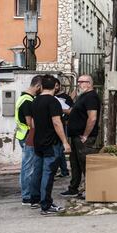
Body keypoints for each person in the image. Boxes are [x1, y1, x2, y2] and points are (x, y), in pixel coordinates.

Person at [30, 74, 71, 215]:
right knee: (48, 174)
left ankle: (35, 199)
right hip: (51, 143)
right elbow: (56, 122)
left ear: (41, 86)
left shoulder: (35, 101)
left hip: (38, 142)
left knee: (38, 171)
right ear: (55, 86)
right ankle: (46, 205)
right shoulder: (53, 102)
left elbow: (33, 123)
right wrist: (65, 142)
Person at [61, 75, 100, 197]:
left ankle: (90, 190)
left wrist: (85, 135)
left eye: (81, 82)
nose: (78, 84)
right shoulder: (83, 97)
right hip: (75, 136)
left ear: (89, 83)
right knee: (75, 164)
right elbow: (74, 111)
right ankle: (74, 188)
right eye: (78, 82)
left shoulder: (91, 97)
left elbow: (92, 118)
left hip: (83, 137)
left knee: (85, 164)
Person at [14, 75, 42, 205]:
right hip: (28, 136)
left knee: (28, 166)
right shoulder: (28, 101)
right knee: (28, 168)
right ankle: (26, 196)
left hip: (22, 135)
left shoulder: (23, 97)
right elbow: (30, 123)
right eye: (42, 88)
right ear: (38, 86)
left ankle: (28, 194)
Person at [54, 78, 74, 177]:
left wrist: (61, 110)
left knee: (60, 148)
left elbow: (71, 111)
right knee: (58, 149)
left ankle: (63, 170)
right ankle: (63, 170)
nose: (56, 88)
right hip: (53, 125)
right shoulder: (50, 97)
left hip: (63, 124)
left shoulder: (66, 97)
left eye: (57, 85)